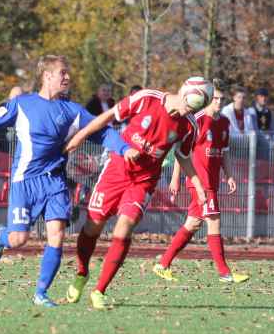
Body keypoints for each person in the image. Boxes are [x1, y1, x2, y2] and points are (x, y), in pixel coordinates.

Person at [0, 55, 131, 307]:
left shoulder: (73, 111)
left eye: (67, 72)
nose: (67, 77)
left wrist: (124, 149)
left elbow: (103, 132)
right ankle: (1, 236)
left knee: (57, 235)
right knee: (18, 239)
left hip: (55, 182)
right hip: (25, 181)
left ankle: (41, 294)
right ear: (47, 76)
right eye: (63, 72)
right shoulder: (22, 104)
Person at [62, 78, 212, 310]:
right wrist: (80, 136)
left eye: (194, 109)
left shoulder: (189, 125)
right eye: (188, 105)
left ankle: (99, 290)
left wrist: (198, 186)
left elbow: (183, 156)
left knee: (124, 227)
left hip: (143, 181)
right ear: (183, 92)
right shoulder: (146, 99)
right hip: (116, 170)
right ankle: (82, 273)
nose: (188, 111)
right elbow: (109, 116)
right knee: (93, 226)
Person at [154, 83, 247, 283]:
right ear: (207, 100)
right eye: (215, 99)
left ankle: (163, 264)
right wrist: (175, 179)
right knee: (214, 221)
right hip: (200, 183)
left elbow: (224, 153)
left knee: (193, 223)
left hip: (213, 182)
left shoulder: (224, 123)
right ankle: (225, 273)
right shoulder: (197, 120)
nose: (219, 102)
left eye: (222, 99)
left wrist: (229, 175)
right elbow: (182, 152)